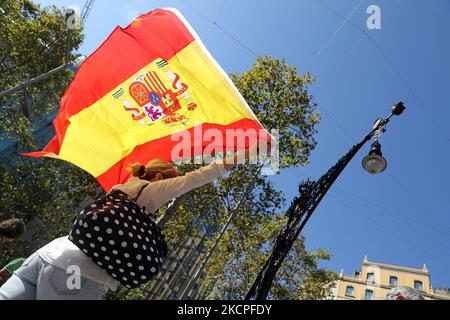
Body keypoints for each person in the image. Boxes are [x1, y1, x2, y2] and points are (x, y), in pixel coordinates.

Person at [0, 149, 254, 300]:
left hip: (48, 253)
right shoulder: (153, 191)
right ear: (159, 177)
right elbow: (203, 175)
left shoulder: (122, 186)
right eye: (173, 180)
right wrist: (246, 153)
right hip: (77, 274)